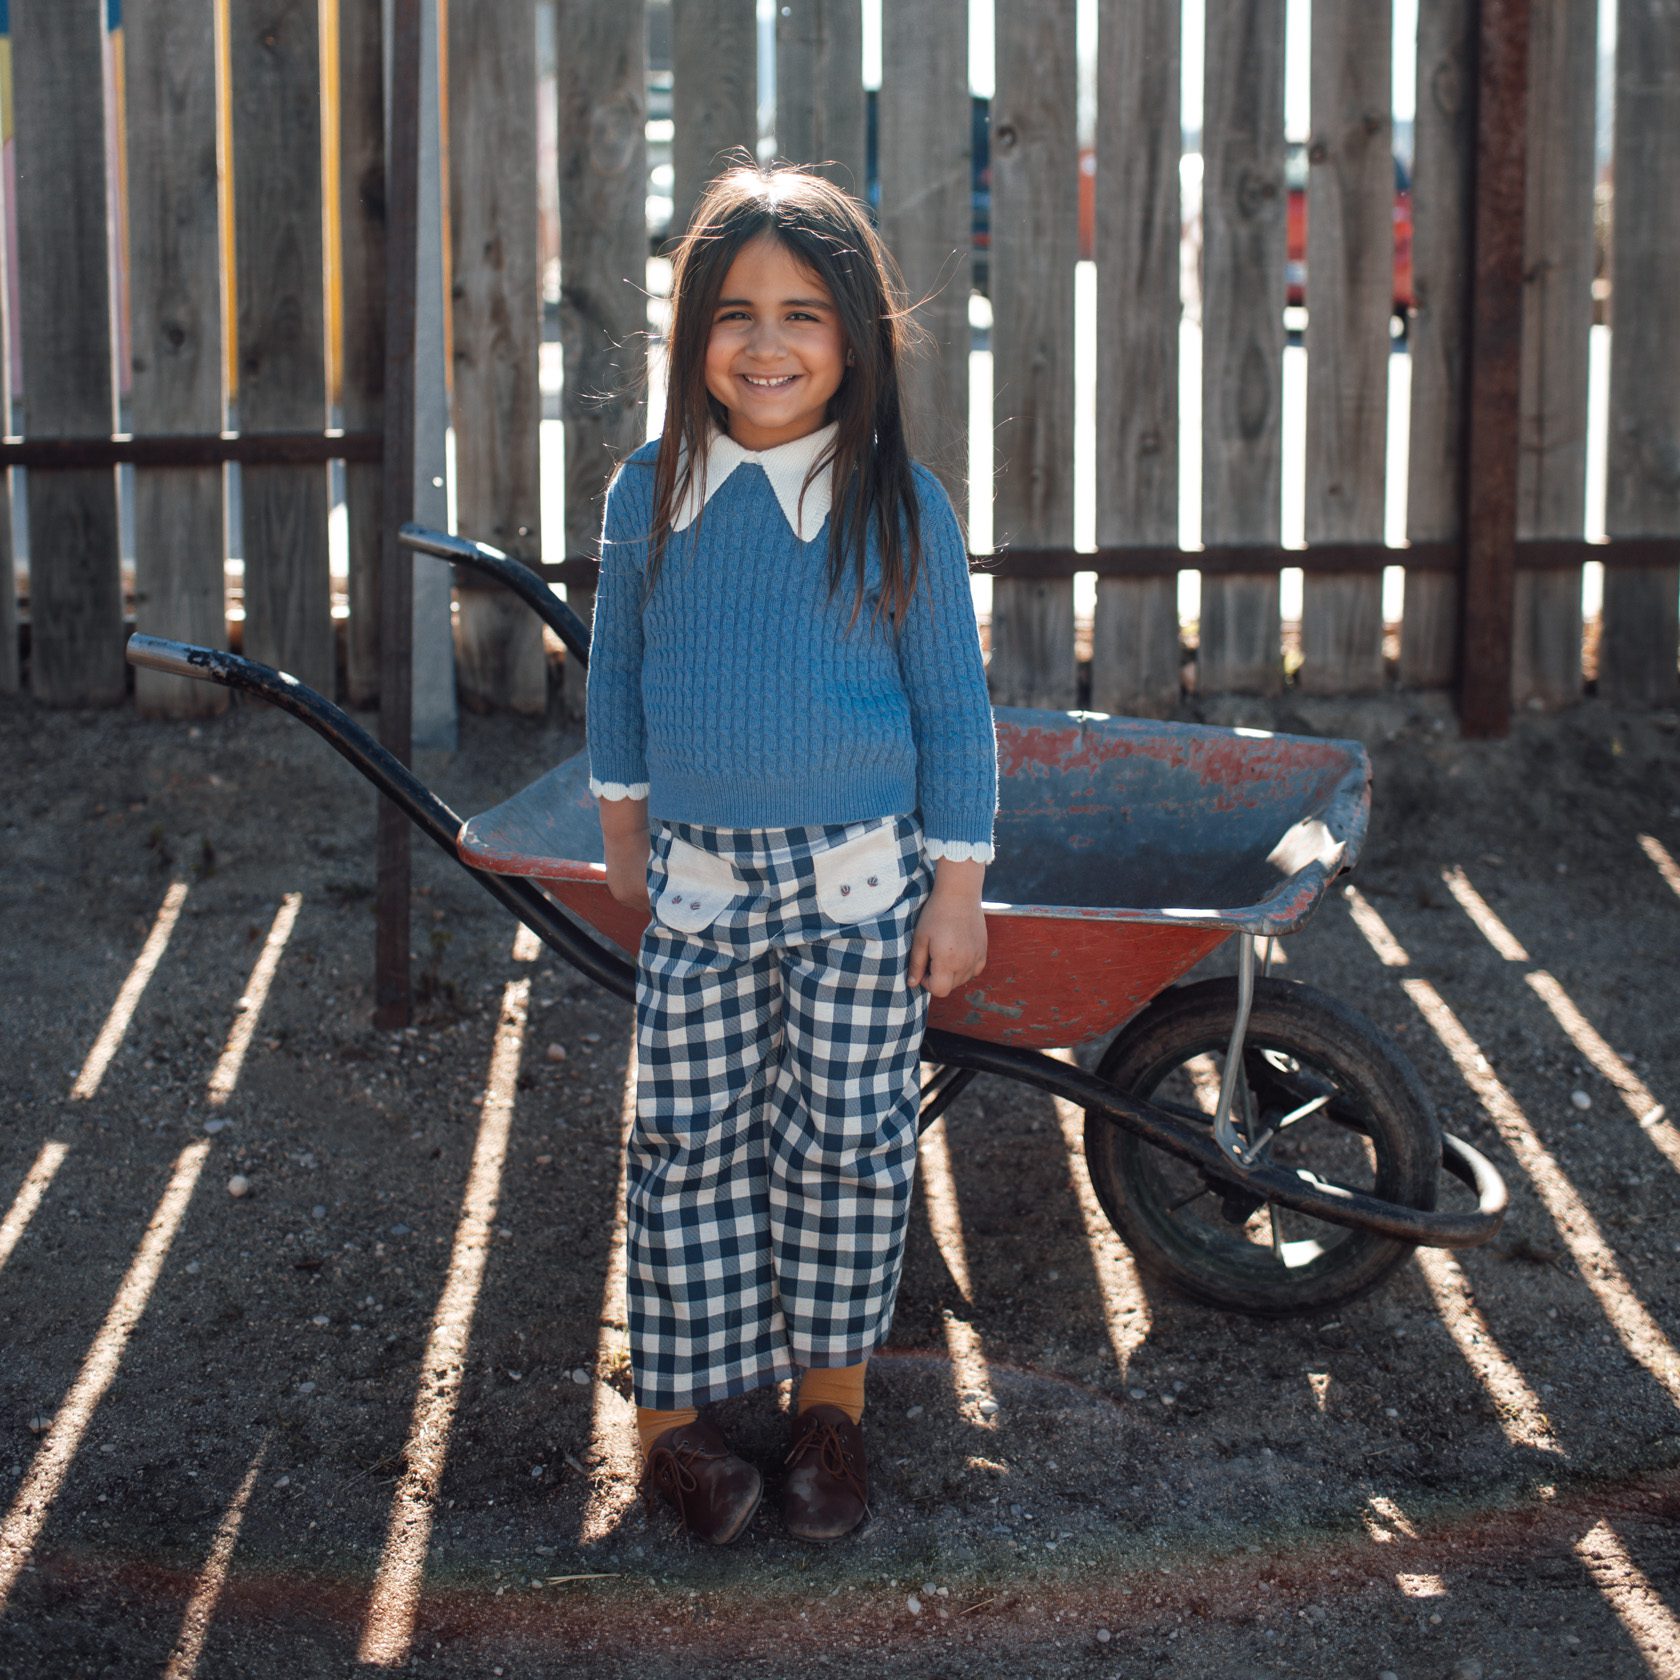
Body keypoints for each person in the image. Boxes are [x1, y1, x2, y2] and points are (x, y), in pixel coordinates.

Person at [586, 158, 997, 1546]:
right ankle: (680, 1427)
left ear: (857, 337)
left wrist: (959, 887)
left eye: (804, 313)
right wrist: (623, 834)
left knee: (850, 1147)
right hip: (697, 884)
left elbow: (954, 705)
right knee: (685, 1143)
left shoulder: (902, 505)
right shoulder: (651, 492)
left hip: (863, 890)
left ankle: (832, 1411)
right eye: (736, 312)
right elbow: (618, 677)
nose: (767, 344)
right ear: (692, 329)